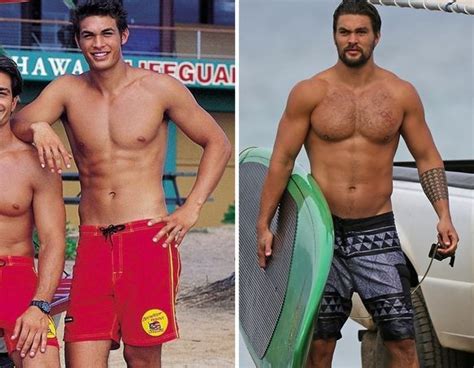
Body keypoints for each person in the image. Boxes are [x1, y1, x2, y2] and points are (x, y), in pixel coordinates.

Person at [11, 1, 231, 367]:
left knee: (140, 356)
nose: (98, 43)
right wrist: (38, 126)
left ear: (123, 36)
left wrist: (192, 207)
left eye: (107, 33)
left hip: (147, 240)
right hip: (94, 242)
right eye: (88, 35)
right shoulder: (67, 91)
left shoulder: (159, 89)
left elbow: (218, 143)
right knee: (81, 355)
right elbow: (17, 122)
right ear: (78, 42)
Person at [256, 1, 458, 367]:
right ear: (334, 36)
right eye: (344, 32)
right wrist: (265, 223)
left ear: (376, 37)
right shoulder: (310, 92)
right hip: (322, 233)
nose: (352, 40)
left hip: (376, 234)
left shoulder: (400, 94)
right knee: (318, 342)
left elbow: (428, 157)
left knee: (403, 339)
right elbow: (282, 161)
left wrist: (443, 215)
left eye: (361, 32)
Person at [0, 56, 65, 368]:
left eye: (1, 93)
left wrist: (40, 305)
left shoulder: (35, 163)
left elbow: (53, 240)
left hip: (16, 276)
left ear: (14, 103)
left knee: (42, 361)